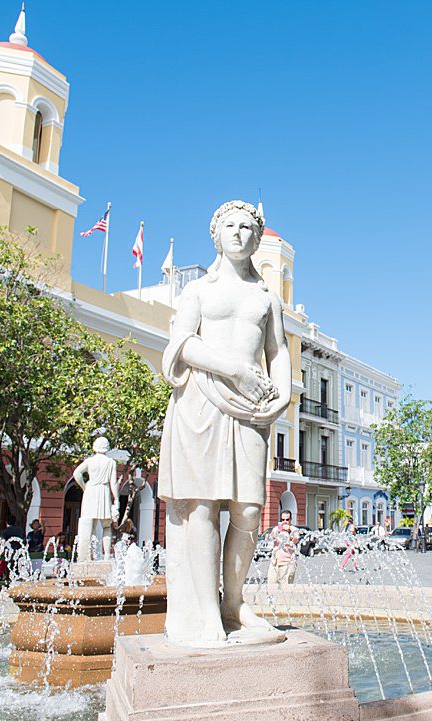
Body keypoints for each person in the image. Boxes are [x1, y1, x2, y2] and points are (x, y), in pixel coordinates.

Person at [159, 200, 292, 645]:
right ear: (216, 236)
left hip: (252, 411)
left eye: (247, 227)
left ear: (257, 238)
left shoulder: (266, 297)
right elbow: (181, 346)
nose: (239, 233)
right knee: (201, 508)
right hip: (202, 401)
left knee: (249, 510)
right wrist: (234, 369)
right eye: (230, 227)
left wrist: (285, 394)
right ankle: (204, 615)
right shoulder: (197, 291)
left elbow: (278, 352)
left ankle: (233, 603)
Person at [72, 437, 121, 561]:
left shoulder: (90, 461)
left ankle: (87, 556)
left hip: (91, 491)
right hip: (103, 491)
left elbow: (77, 473)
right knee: (106, 526)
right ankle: (106, 556)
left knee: (89, 525)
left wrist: (84, 487)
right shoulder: (111, 462)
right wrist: (116, 499)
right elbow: (113, 483)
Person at [267, 511, 300, 588]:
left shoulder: (294, 529)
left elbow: (296, 539)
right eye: (283, 520)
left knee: (286, 588)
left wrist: (289, 529)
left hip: (288, 564)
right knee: (271, 586)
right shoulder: (276, 529)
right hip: (275, 563)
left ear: (291, 519)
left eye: (287, 519)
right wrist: (274, 534)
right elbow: (270, 537)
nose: (285, 522)